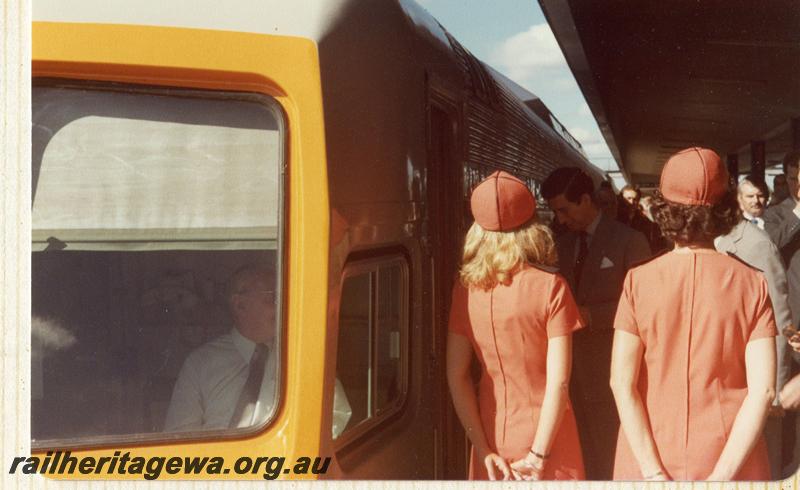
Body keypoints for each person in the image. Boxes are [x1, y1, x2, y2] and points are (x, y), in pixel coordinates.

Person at [610, 147, 777, 481]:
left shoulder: (638, 281)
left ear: (664, 210)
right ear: (725, 210)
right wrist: (719, 478)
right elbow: (764, 391)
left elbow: (621, 382)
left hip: (649, 451)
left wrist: (653, 472)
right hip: (730, 455)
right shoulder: (753, 283)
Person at [447, 170, 585, 481]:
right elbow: (559, 383)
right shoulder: (552, 287)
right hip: (549, 437)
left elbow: (456, 375)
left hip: (490, 434)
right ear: (531, 227)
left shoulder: (464, 290)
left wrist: (482, 449)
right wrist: (538, 455)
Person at [540, 167, 651, 480]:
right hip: (569, 378)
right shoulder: (560, 245)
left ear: (586, 199)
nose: (560, 219)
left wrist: (591, 316)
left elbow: (644, 306)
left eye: (564, 209)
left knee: (607, 458)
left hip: (610, 374)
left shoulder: (630, 241)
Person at [716, 182, 793, 479]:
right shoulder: (716, 240)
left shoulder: (758, 245)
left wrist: (774, 390)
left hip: (756, 382)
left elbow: (778, 318)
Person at [165, 264, 279, 431]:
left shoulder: (296, 357)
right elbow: (179, 435)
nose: (284, 305)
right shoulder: (200, 363)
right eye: (273, 298)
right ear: (240, 305)